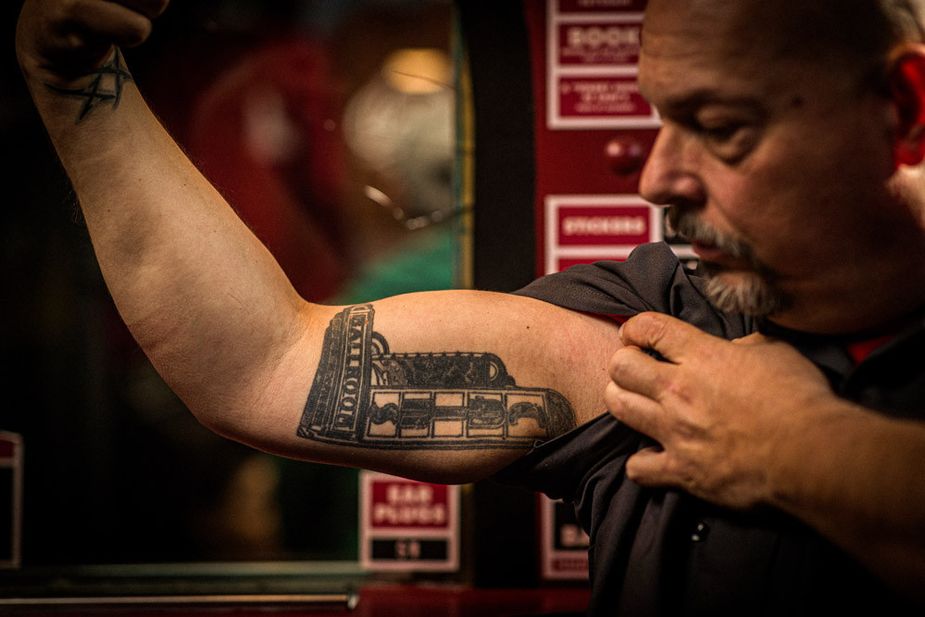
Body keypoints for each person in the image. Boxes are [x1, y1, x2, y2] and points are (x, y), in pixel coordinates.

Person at [14, 0, 925, 614]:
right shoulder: (661, 328)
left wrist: (793, 443)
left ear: (903, 106)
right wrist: (78, 85)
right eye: (659, 120)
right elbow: (266, 366)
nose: (657, 178)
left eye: (721, 128)